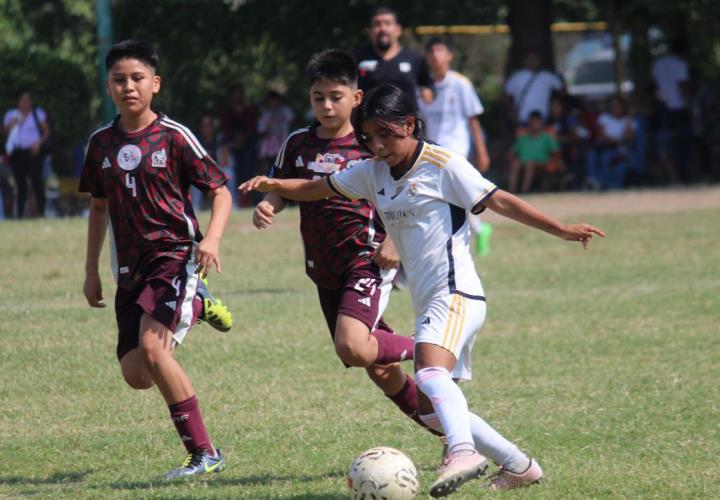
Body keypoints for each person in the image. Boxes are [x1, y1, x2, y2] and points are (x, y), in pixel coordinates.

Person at [240, 83, 604, 496]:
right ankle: (520, 466)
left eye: (386, 135)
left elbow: (499, 201)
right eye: (369, 138)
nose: (377, 146)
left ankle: (463, 452)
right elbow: (317, 188)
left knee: (430, 374)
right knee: (433, 409)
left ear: (410, 124)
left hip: (457, 294)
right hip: (428, 300)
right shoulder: (373, 172)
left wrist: (561, 229)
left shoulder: (442, 164)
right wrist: (274, 185)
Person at [252, 49, 440, 439]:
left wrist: (392, 241)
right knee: (378, 366)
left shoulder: (371, 143)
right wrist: (269, 204)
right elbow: (285, 187)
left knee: (353, 347)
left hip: (366, 258)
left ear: (356, 98)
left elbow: (413, 190)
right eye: (318, 97)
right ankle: (446, 432)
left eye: (336, 96)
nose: (326, 105)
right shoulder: (298, 143)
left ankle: (434, 348)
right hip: (324, 268)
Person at [79, 39, 234, 480]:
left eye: (137, 79)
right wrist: (91, 270)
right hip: (129, 268)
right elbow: (97, 208)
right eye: (119, 80)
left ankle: (205, 453)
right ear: (108, 87)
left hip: (173, 257)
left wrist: (214, 240)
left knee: (153, 347)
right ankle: (198, 304)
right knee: (137, 373)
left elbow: (220, 191)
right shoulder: (101, 144)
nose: (129, 87)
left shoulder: (174, 136)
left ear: (155, 84)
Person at [418, 37, 492, 255]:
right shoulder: (423, 88)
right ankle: (479, 229)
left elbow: (473, 119)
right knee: (454, 193)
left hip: (456, 147)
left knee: (451, 191)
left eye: (440, 51)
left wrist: (482, 150)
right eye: (431, 52)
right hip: (433, 147)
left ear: (450, 56)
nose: (436, 56)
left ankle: (467, 233)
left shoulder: (461, 84)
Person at [355, 6, 433, 103]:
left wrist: (427, 93)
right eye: (377, 24)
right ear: (370, 31)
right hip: (369, 118)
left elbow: (429, 89)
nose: (382, 28)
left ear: (398, 30)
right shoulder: (358, 57)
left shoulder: (415, 58)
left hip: (406, 117)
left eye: (388, 23)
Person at [3, 89, 51, 218]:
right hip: (17, 153)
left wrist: (38, 144)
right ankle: (20, 215)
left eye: (28, 100)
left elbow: (46, 132)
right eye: (23, 100)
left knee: (37, 183)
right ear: (18, 101)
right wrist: (12, 124)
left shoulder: (37, 113)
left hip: (33, 152)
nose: (26, 103)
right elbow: (5, 132)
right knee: (21, 185)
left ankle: (41, 213)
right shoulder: (11, 115)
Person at [586, 95, 636, 191]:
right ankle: (592, 181)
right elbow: (600, 134)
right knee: (591, 156)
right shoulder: (604, 117)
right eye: (612, 105)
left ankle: (599, 184)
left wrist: (629, 116)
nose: (614, 108)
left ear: (622, 107)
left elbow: (629, 137)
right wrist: (614, 140)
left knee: (606, 157)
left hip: (618, 149)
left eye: (617, 105)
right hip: (603, 146)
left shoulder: (627, 120)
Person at [220, 84, 259, 206]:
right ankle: (235, 201)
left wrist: (243, 137)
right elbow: (225, 129)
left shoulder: (250, 110)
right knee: (232, 173)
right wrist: (235, 138)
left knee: (248, 172)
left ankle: (248, 200)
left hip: (248, 146)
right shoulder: (227, 111)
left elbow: (253, 128)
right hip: (231, 146)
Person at [504, 50, 564, 127]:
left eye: (535, 59)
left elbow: (562, 90)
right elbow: (506, 96)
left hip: (544, 119)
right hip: (522, 119)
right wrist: (513, 112)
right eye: (530, 59)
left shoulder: (548, 76)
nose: (532, 61)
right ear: (524, 60)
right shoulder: (516, 77)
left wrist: (555, 104)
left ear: (539, 60)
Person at [508, 110, 562, 193]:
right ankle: (512, 191)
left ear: (541, 123)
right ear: (529, 123)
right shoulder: (523, 137)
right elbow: (512, 152)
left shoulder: (547, 137)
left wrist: (555, 162)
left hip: (542, 162)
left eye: (537, 122)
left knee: (530, 164)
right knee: (516, 164)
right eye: (533, 122)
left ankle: (524, 191)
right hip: (523, 162)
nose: (535, 125)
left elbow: (556, 152)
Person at [191, 114, 233, 210]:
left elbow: (225, 159)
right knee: (193, 176)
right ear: (200, 127)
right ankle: (195, 207)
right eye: (204, 125)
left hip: (218, 168)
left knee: (230, 172)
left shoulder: (220, 138)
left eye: (208, 125)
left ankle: (233, 205)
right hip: (202, 170)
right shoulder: (196, 140)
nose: (206, 128)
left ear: (213, 127)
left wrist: (214, 171)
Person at [257, 90, 295, 176]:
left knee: (281, 170)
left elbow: (292, 121)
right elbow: (261, 131)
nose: (273, 102)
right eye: (271, 100)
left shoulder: (285, 111)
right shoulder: (265, 114)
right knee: (266, 171)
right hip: (267, 149)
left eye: (275, 100)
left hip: (282, 146)